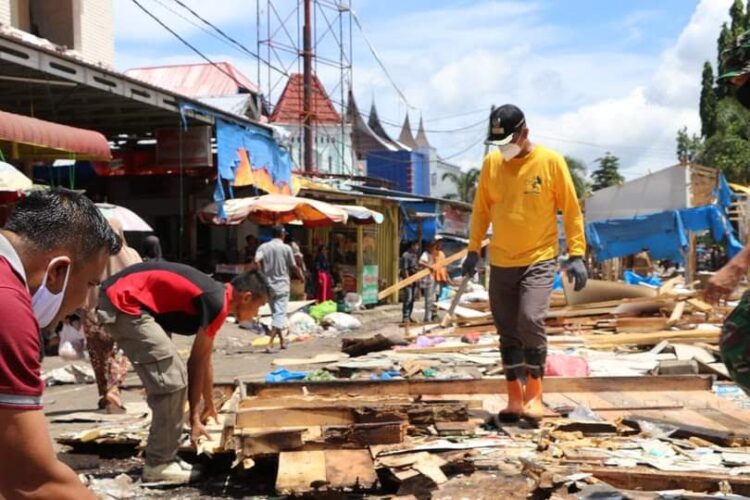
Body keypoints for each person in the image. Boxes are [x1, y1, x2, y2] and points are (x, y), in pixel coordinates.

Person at [463, 104, 587, 422]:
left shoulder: (550, 162)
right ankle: (514, 399)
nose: (504, 148)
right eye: (499, 143)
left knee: (530, 319)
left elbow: (571, 209)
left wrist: (576, 254)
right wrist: (472, 250)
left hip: (539, 258)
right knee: (507, 330)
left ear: (525, 133)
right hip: (502, 260)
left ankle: (535, 395)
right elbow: (481, 210)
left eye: (508, 141)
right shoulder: (491, 164)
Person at [98, 262, 271, 483]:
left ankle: (166, 456)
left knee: (172, 375)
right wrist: (195, 417)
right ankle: (159, 464)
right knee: (171, 380)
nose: (257, 314)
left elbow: (204, 357)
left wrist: (208, 403)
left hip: (124, 300)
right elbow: (195, 362)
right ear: (246, 297)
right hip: (124, 302)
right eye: (260, 306)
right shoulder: (216, 301)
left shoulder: (218, 297)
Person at [0, 187, 121, 499]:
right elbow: (31, 480)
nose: (85, 302)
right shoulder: (8, 309)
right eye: (91, 284)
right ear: (58, 271)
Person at [81, 218, 142, 413]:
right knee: (122, 353)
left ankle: (104, 393)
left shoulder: (90, 254)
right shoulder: (131, 254)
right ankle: (113, 390)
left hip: (93, 311)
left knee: (99, 355)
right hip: (123, 311)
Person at [255, 225, 302, 352]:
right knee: (279, 315)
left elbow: (256, 261)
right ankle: (270, 343)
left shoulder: (263, 247)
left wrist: (261, 276)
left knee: (277, 314)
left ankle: (282, 341)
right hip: (282, 285)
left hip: (268, 285)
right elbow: (293, 266)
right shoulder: (286, 248)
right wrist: (301, 276)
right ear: (282, 234)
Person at [400, 240, 420, 323]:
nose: (417, 247)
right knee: (408, 298)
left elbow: (416, 267)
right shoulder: (406, 255)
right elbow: (405, 269)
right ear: (412, 245)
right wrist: (408, 280)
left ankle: (409, 316)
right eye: (416, 245)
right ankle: (405, 316)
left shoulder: (415, 255)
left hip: (415, 278)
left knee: (412, 299)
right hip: (408, 278)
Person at [419, 240, 437, 322]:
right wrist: (429, 266)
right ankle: (427, 318)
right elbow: (420, 262)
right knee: (428, 299)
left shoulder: (432, 254)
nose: (434, 249)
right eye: (433, 247)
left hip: (431, 278)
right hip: (427, 279)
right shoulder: (425, 254)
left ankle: (429, 316)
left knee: (431, 299)